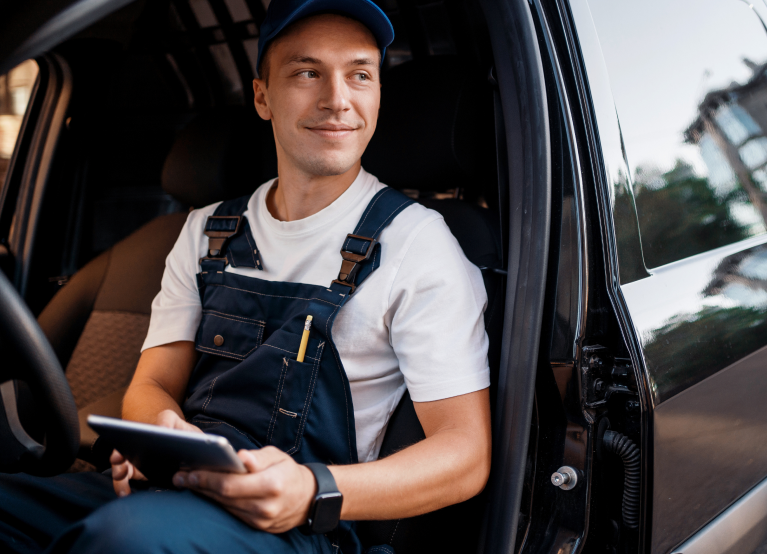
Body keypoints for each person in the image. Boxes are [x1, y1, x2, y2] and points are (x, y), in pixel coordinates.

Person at [0, 0, 491, 551]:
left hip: (297, 524)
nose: (337, 99)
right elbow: (153, 382)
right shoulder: (207, 230)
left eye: (360, 74)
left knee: (125, 540)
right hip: (174, 489)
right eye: (307, 73)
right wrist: (160, 432)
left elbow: (464, 456)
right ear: (262, 96)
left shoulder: (417, 243)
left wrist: (311, 489)